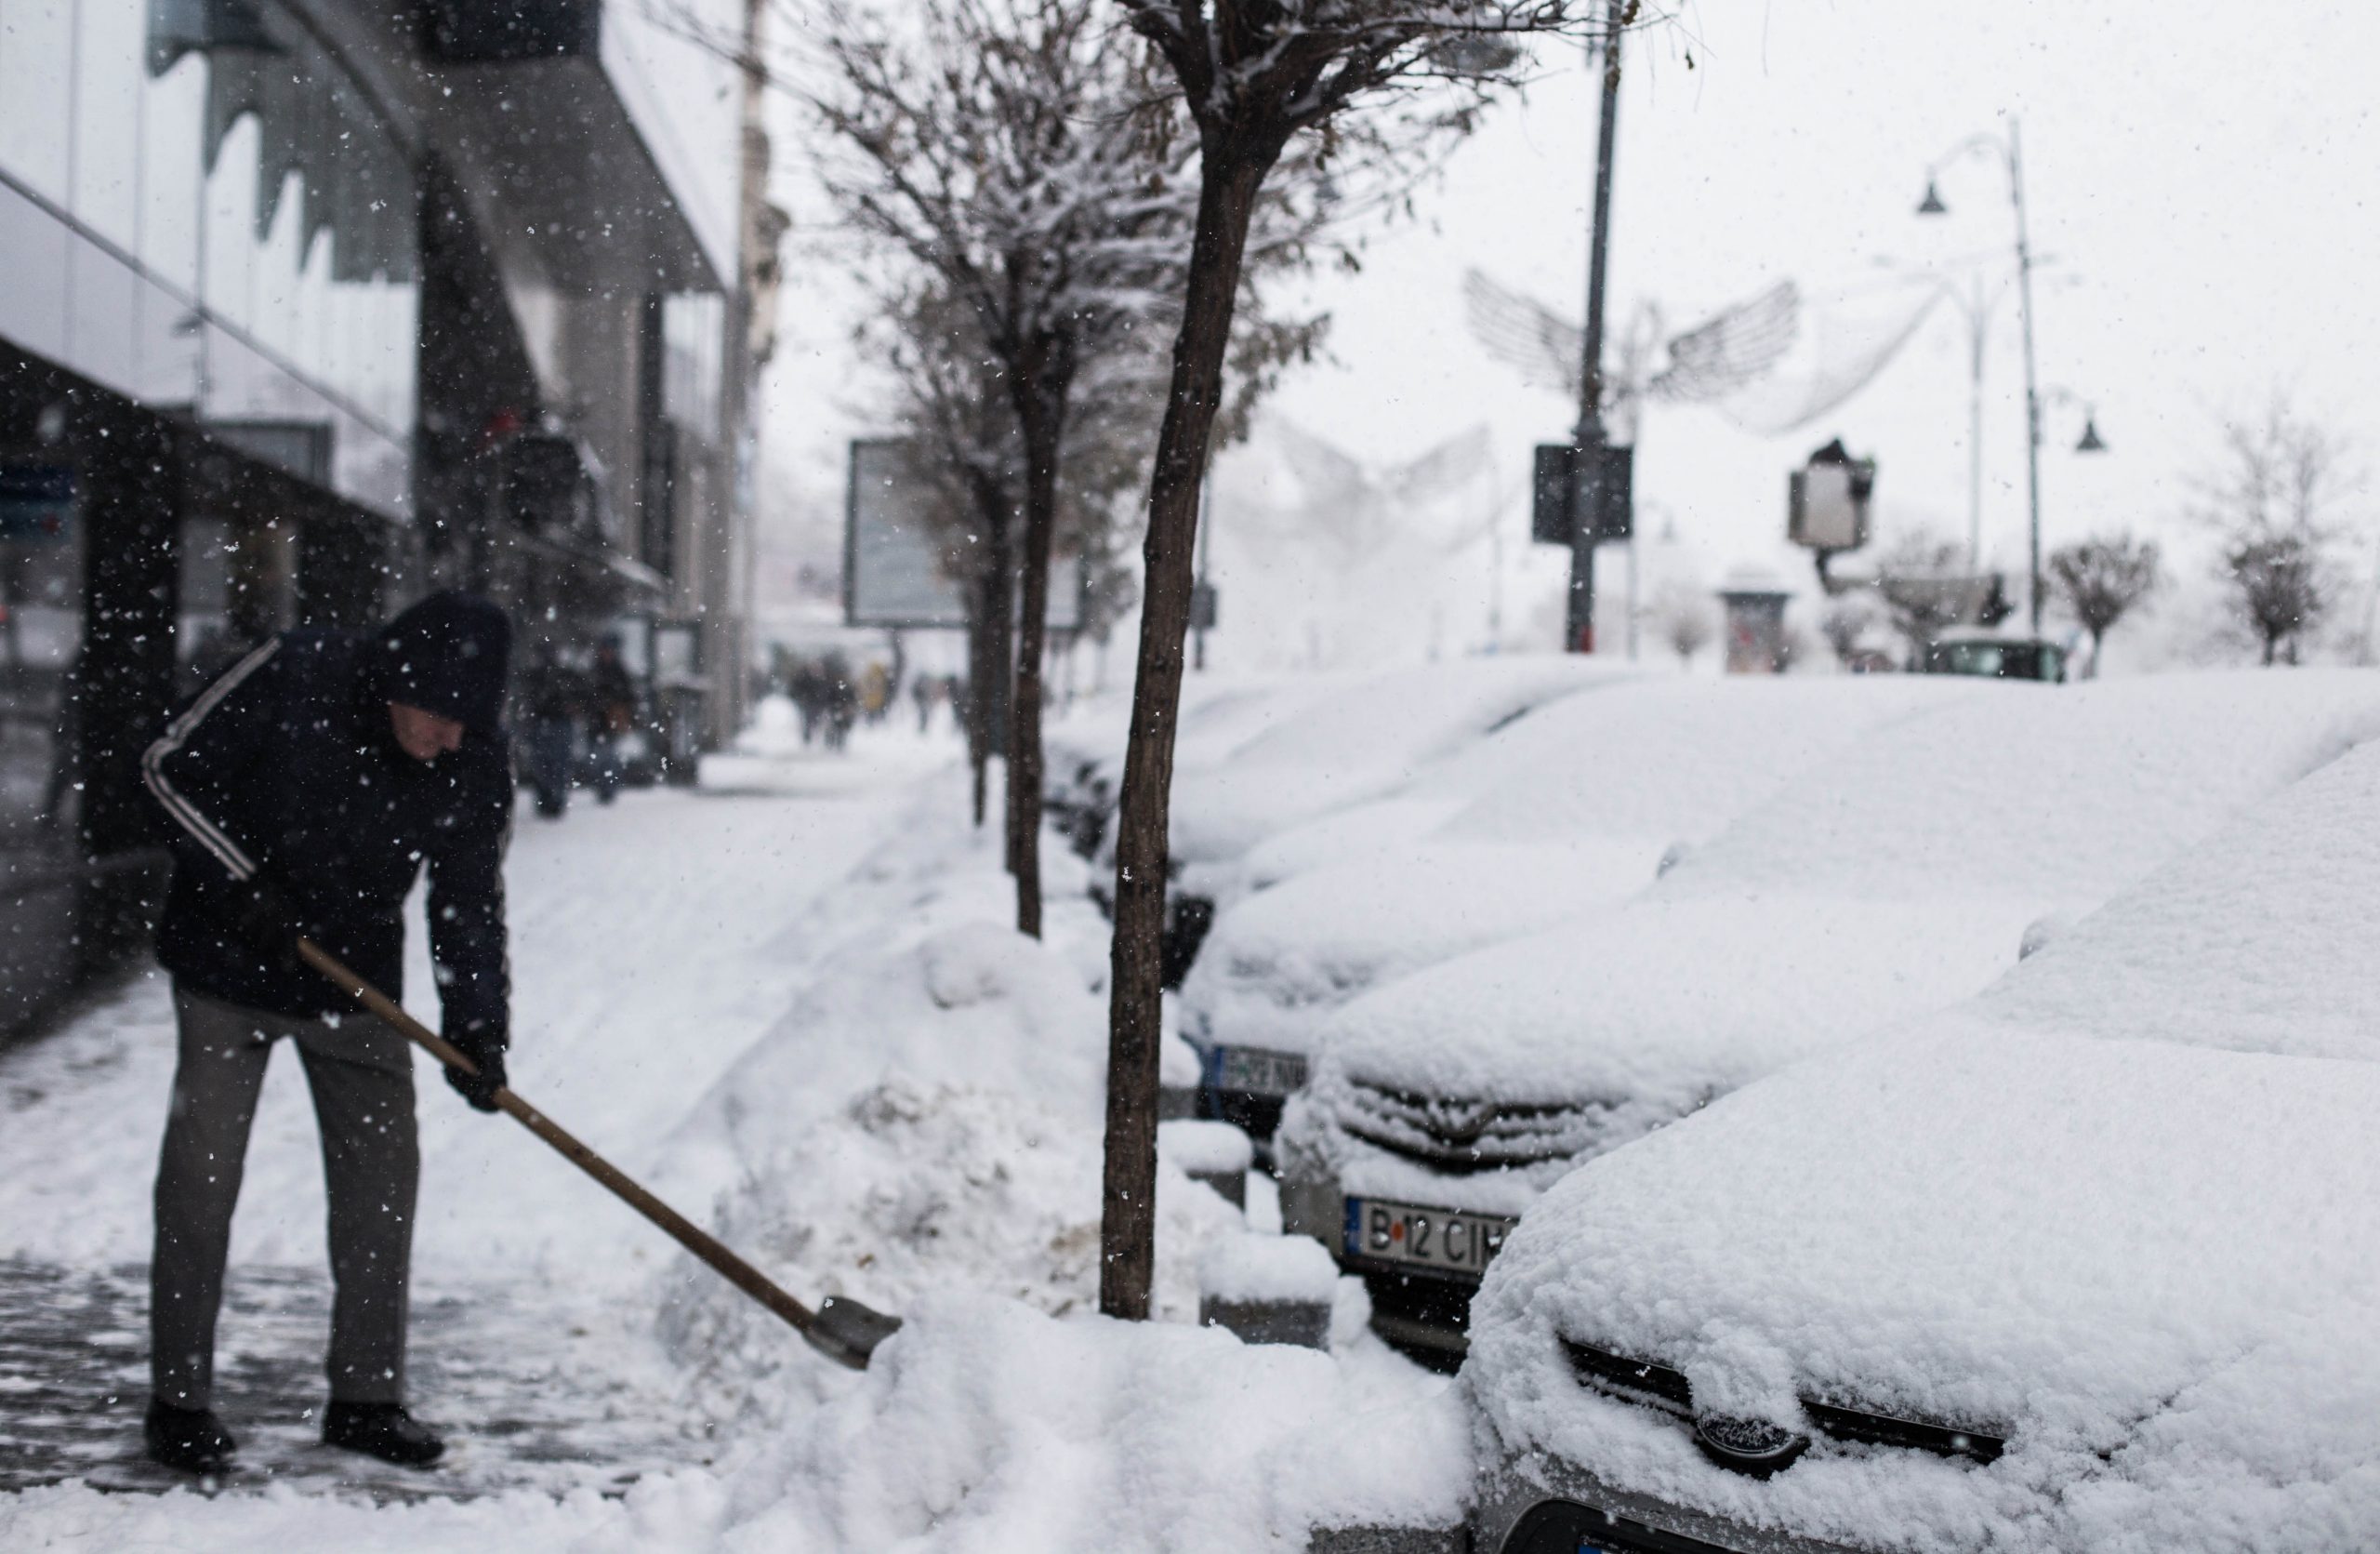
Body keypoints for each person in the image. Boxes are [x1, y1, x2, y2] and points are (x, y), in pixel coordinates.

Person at [138, 591, 515, 1475]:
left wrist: (477, 1028)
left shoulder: (471, 753)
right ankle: (178, 1401)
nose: (451, 737)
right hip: (228, 969)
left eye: (468, 721)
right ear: (399, 681)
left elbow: (468, 898)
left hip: (354, 984)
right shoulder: (294, 670)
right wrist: (243, 886)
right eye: (440, 714)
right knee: (200, 1182)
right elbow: (165, 768)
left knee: (383, 1182)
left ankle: (366, 1399)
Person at [517, 642, 582, 819]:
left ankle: (551, 800)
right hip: (546, 723)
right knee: (549, 765)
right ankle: (550, 799)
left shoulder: (554, 675)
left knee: (550, 765)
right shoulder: (545, 676)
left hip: (552, 723)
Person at [587, 635, 636, 804]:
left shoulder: (617, 671)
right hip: (598, 722)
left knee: (608, 757)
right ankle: (604, 787)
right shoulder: (597, 670)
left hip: (610, 722)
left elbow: (627, 695)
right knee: (600, 758)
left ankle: (608, 788)